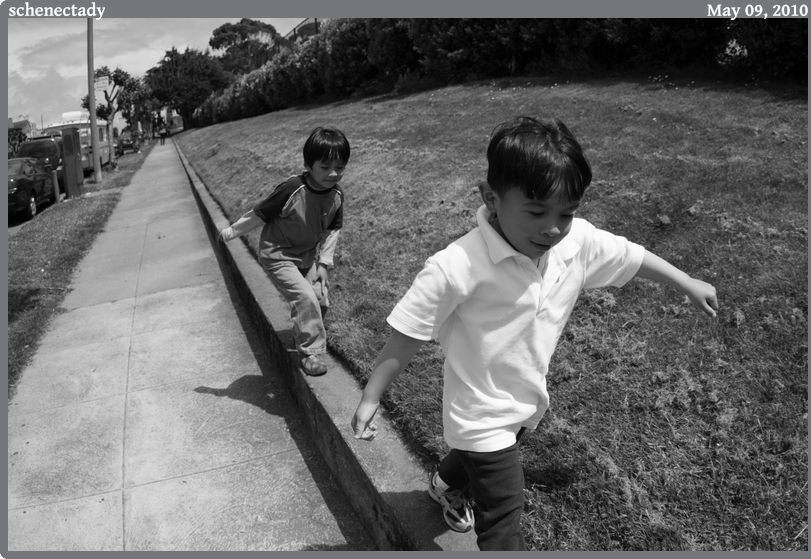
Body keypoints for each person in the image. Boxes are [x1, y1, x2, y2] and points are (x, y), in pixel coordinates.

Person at [350, 116, 718, 550]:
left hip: (526, 400)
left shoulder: (574, 243)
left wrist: (687, 283)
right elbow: (408, 333)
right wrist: (372, 397)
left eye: (566, 212)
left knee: (492, 451)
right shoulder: (456, 266)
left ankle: (444, 483)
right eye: (537, 211)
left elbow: (630, 257)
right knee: (504, 516)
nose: (553, 227)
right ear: (491, 198)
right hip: (479, 412)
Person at [220, 126, 349, 376]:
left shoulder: (336, 194)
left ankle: (303, 333)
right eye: (325, 167)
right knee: (305, 298)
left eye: (340, 168)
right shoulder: (292, 189)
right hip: (278, 255)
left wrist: (323, 263)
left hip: (307, 257)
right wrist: (232, 232)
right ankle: (310, 353)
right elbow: (260, 214)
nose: (333, 174)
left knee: (320, 300)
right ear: (308, 164)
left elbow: (334, 228)